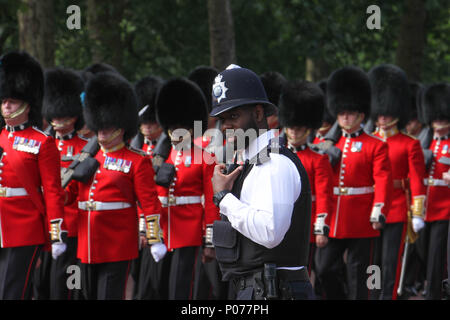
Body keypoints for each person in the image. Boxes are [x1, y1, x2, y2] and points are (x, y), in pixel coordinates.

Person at [210, 66, 314, 300]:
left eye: (233, 116)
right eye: (222, 119)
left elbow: (270, 232)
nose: (225, 126)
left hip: (276, 290)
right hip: (257, 289)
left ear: (258, 114)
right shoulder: (250, 161)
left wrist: (223, 198)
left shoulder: (273, 162)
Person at [65, 71, 163, 300]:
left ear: (120, 126)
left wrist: (155, 238)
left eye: (107, 126)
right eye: (100, 126)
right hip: (84, 245)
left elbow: (150, 203)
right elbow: (68, 197)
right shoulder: (87, 157)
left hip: (116, 246)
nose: (102, 131)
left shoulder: (137, 161)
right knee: (82, 294)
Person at [314, 66, 393, 300]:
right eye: (342, 112)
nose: (346, 116)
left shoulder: (376, 145)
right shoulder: (325, 144)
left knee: (360, 275)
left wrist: (379, 210)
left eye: (350, 112)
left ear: (361, 114)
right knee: (324, 269)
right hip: (333, 218)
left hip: (361, 219)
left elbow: (382, 179)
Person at [0, 51, 67, 299]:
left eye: (13, 101)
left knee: (11, 292)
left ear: (28, 104)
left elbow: (52, 190)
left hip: (24, 229)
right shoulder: (0, 138)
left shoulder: (43, 142)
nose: (6, 105)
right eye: (4, 100)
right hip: (0, 224)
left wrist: (56, 233)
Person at [154, 77, 220, 300]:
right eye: (172, 127)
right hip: (162, 230)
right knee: (157, 287)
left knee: (180, 288)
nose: (175, 132)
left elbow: (211, 202)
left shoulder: (205, 158)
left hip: (189, 232)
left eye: (179, 127)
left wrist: (209, 239)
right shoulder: (162, 156)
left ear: (191, 129)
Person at [368, 64, 427, 300]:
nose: (383, 117)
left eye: (387, 113)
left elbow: (417, 180)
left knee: (390, 260)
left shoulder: (409, 144)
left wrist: (418, 212)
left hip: (397, 208)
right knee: (373, 261)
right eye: (380, 113)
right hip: (371, 206)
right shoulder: (370, 141)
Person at [278, 80, 334, 298]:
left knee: (303, 273)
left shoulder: (318, 159)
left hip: (305, 226)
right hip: (280, 223)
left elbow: (323, 194)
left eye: (299, 128)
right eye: (291, 127)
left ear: (308, 128)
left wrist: (320, 227)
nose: (293, 132)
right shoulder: (277, 155)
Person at [42, 67, 89, 299]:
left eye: (64, 115)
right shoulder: (43, 144)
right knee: (42, 285)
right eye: (56, 115)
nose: (59, 120)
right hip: (43, 224)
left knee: (67, 284)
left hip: (71, 225)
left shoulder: (85, 147)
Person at [130, 75, 166, 300]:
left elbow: (154, 195)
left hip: (163, 228)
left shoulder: (169, 149)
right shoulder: (135, 148)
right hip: (134, 226)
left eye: (152, 122)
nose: (147, 127)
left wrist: (147, 230)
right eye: (144, 122)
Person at [416, 82, 450, 299]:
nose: (438, 121)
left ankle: (433, 292)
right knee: (422, 251)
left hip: (444, 206)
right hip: (424, 206)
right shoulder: (424, 139)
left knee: (436, 253)